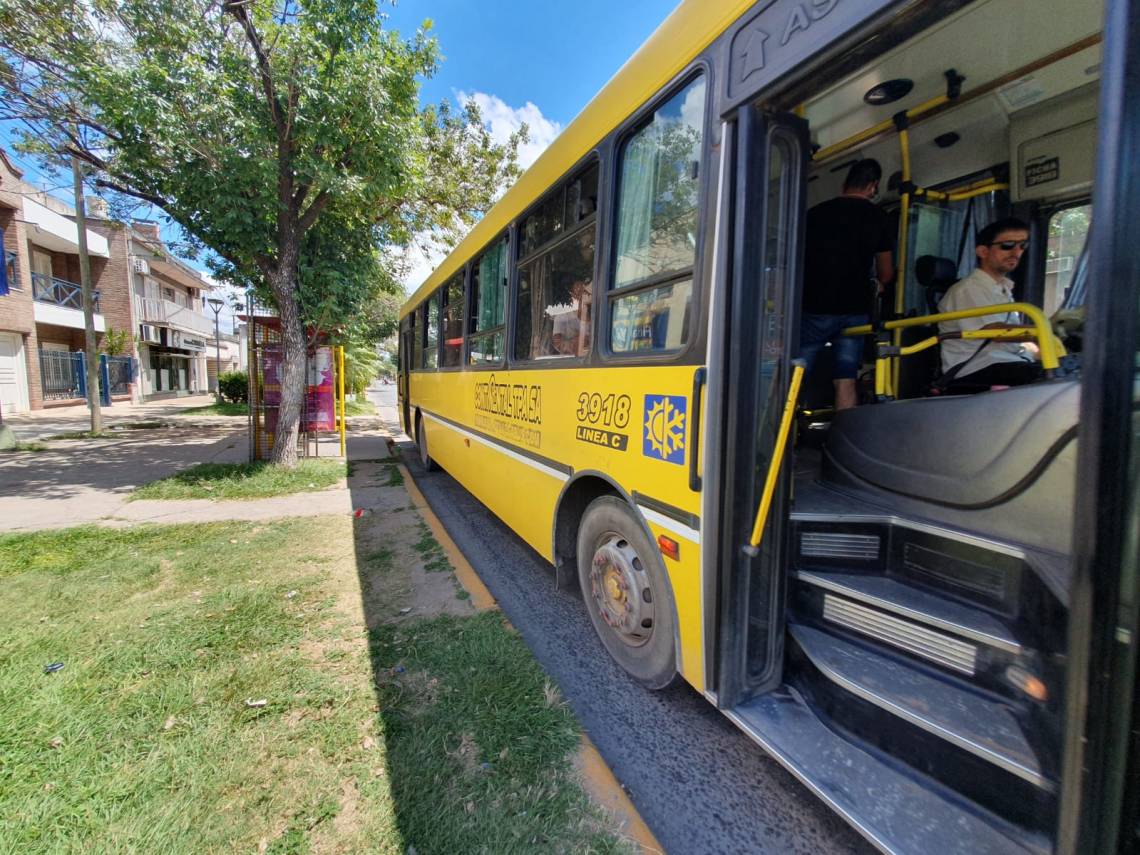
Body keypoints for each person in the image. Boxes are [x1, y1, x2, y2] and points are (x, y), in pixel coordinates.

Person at [799, 159, 895, 410]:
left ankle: (779, 437)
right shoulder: (879, 217)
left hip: (814, 307)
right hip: (854, 311)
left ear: (845, 184)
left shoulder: (815, 214)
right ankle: (843, 440)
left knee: (795, 376)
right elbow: (886, 272)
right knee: (845, 380)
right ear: (873, 186)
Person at [937, 217, 1042, 389]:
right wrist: (1042, 332)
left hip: (1003, 361)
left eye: (1022, 245)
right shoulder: (967, 289)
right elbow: (995, 332)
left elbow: (1014, 339)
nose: (1016, 252)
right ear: (983, 251)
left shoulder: (1002, 289)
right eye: (1007, 245)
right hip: (975, 368)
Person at [552, 276, 592, 356]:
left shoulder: (598, 317)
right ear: (572, 294)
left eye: (585, 286)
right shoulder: (562, 318)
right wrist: (580, 341)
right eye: (578, 286)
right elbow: (557, 345)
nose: (583, 290)